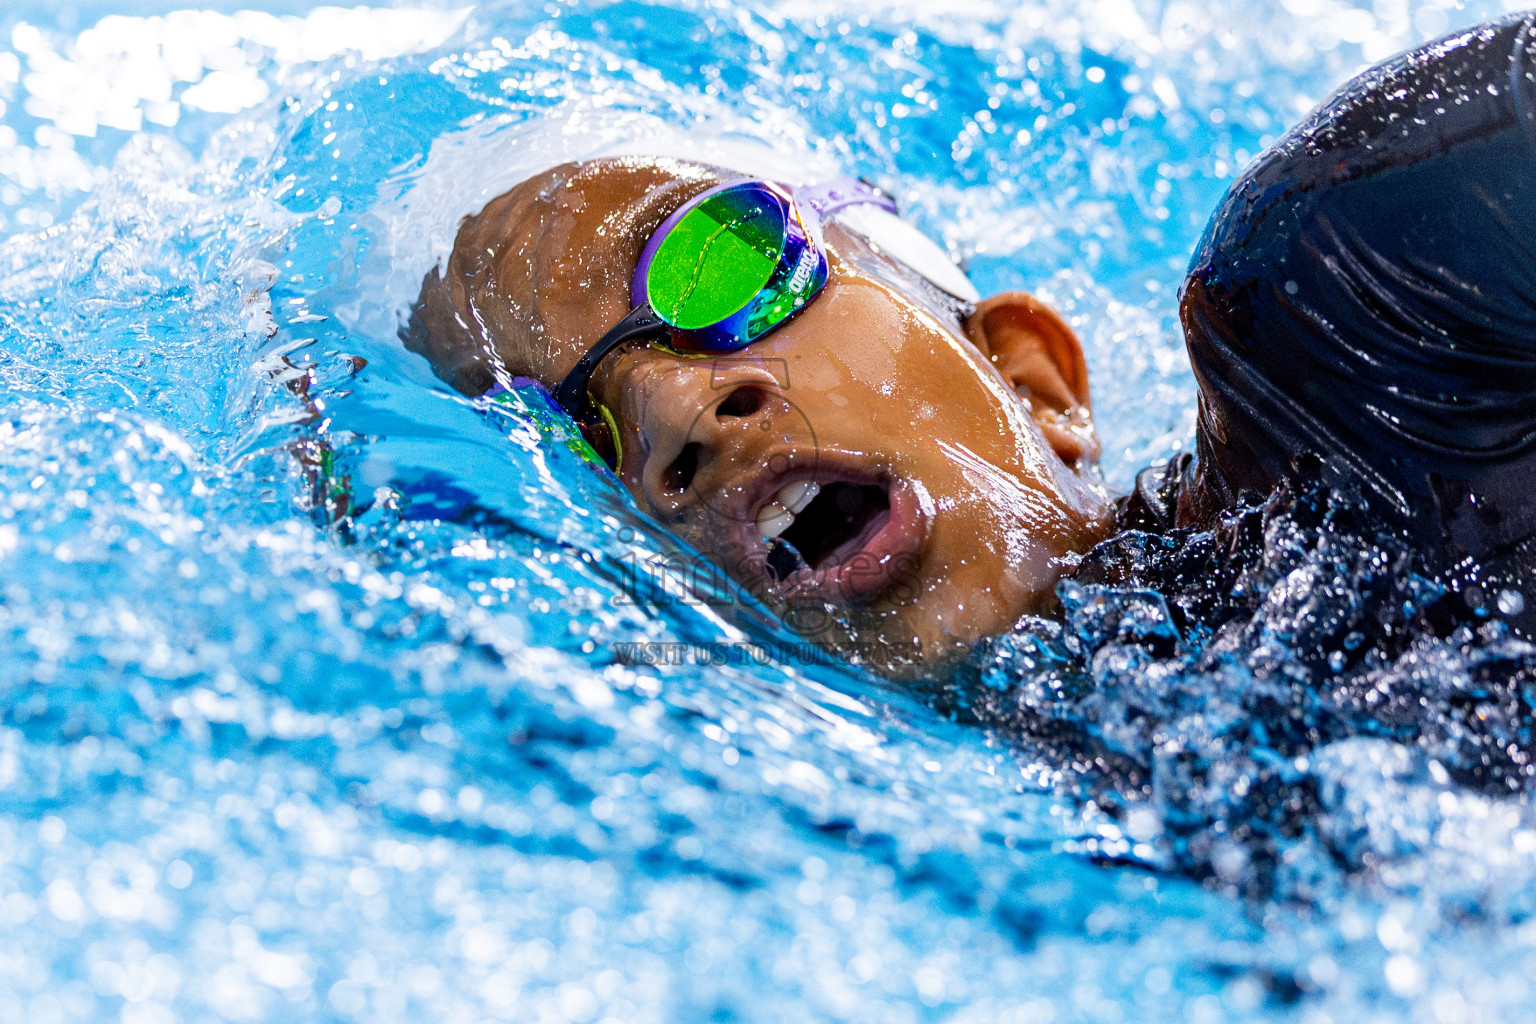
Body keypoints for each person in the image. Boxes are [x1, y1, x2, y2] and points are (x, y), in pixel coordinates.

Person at [404, 11, 1536, 673]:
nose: (672, 418)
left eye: (719, 262)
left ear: (1030, 370)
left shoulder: (1344, 314)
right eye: (577, 435)